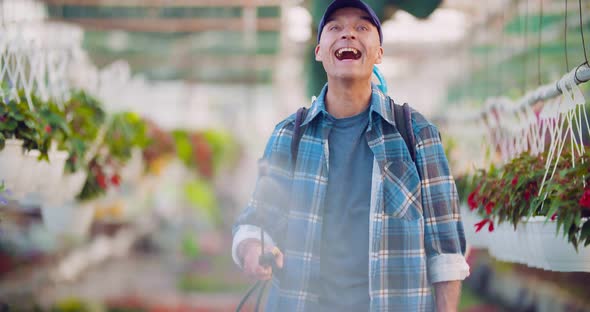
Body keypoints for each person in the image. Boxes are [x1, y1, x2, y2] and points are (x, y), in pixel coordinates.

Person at [232, 0, 470, 310]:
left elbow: (446, 254)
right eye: (335, 28)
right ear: (319, 52)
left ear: (379, 53)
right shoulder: (289, 135)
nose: (348, 35)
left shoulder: (417, 134)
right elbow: (257, 220)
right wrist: (252, 248)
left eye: (361, 27)